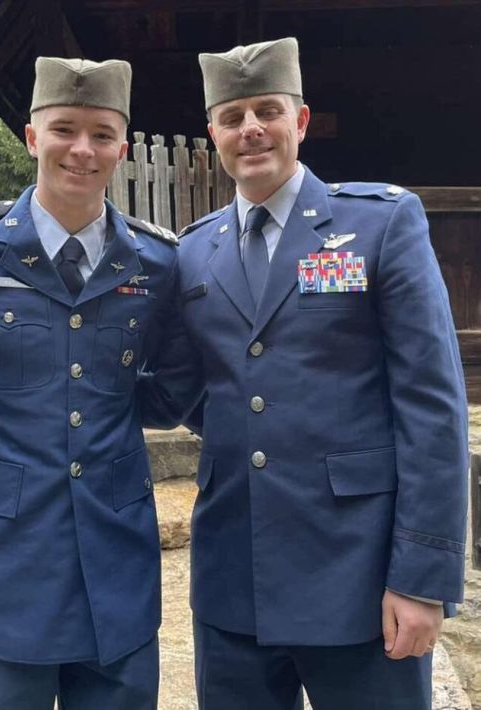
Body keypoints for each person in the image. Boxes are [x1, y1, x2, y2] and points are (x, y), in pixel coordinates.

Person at [140, 36, 468, 709]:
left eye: (268, 110)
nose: (251, 128)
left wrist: (421, 577)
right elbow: (195, 390)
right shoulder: (194, 252)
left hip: (358, 576)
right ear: (213, 134)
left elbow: (433, 405)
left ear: (302, 120)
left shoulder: (379, 224)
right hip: (233, 582)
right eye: (232, 117)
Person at [0, 56, 179, 709]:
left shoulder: (157, 261)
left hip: (114, 569)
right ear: (33, 137)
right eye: (64, 129)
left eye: (102, 133)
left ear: (121, 149)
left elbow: (173, 388)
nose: (82, 149)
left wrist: (109, 418)